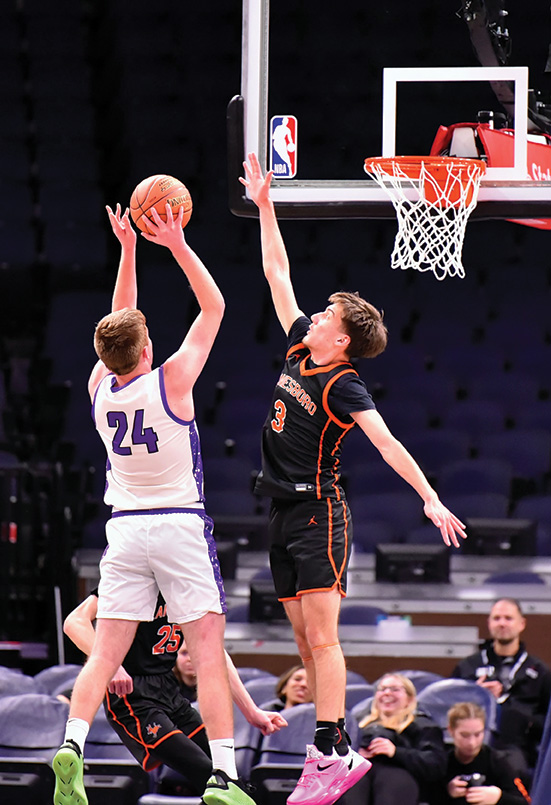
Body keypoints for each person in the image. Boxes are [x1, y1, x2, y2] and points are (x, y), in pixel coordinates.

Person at [239, 152, 467, 805]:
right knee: (303, 645)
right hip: (279, 510)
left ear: (340, 341)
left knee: (323, 637)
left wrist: (427, 495)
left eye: (325, 319)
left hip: (319, 512)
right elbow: (275, 271)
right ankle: (329, 752)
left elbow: (387, 441)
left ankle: (332, 745)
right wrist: (264, 205)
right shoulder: (297, 347)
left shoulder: (344, 382)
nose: (312, 317)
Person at [52, 202, 256, 805]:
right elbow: (214, 306)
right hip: (177, 524)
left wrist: (127, 249)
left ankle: (72, 745)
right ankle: (224, 776)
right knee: (208, 649)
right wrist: (174, 242)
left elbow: (119, 320)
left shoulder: (98, 388)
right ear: (146, 351)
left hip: (123, 529)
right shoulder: (171, 381)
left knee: (106, 651)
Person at [63, 589, 287, 796]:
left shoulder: (187, 585)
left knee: (230, 775)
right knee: (207, 773)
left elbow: (216, 655)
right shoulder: (132, 574)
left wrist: (251, 710)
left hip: (169, 689)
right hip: (131, 691)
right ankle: (72, 747)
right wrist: (111, 666)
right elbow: (74, 622)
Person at [452, 598, 551, 774]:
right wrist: (475, 696)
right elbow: (448, 711)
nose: (502, 623)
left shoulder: (540, 672)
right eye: (497, 618)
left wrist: (522, 720)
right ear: (489, 623)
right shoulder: (468, 667)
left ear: (522, 624)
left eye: (508, 618)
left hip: (518, 749)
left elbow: (547, 721)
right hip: (472, 747)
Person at [351, 673, 446, 804]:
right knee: (351, 785)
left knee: (391, 781)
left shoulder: (423, 726)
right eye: (382, 689)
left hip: (399, 777)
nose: (387, 693)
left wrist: (395, 752)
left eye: (395, 689)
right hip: (362, 774)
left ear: (410, 698)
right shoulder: (357, 724)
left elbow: (435, 766)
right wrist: (355, 753)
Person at [430, 701, 530, 805]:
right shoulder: (441, 762)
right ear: (451, 731)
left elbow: (525, 802)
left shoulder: (497, 761)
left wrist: (499, 797)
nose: (472, 743)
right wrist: (447, 791)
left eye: (478, 734)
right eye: (464, 735)